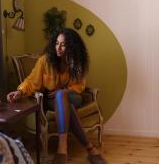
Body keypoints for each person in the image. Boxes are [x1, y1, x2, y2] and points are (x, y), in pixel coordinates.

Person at [7, 28, 107, 164]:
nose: (58, 47)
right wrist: (20, 91)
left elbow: (80, 86)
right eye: (57, 43)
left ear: (72, 47)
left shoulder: (76, 63)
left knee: (62, 95)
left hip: (74, 96)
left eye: (63, 44)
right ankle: (90, 150)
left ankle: (62, 150)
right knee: (66, 105)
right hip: (51, 100)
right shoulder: (45, 61)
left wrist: (64, 89)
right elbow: (32, 81)